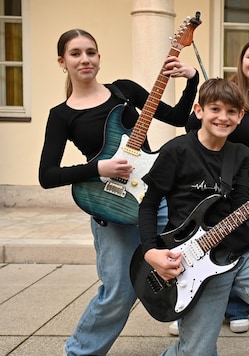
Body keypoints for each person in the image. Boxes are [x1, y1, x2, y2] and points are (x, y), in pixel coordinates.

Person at [38, 29, 199, 356]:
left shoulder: (124, 91)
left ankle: (193, 347)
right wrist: (99, 168)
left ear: (99, 57)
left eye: (91, 52)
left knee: (185, 270)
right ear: (62, 62)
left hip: (155, 199)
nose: (85, 59)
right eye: (76, 53)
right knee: (119, 292)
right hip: (111, 207)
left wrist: (192, 79)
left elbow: (178, 117)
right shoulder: (62, 115)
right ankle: (80, 352)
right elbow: (47, 175)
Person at [139, 78, 249, 355]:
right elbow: (149, 203)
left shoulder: (242, 155)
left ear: (240, 116)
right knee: (197, 350)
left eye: (231, 111)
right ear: (199, 110)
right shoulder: (177, 150)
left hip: (241, 252)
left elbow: (243, 206)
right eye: (215, 109)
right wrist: (151, 251)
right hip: (193, 258)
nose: (223, 117)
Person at [183, 38, 249, 334]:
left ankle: (237, 307)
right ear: (241, 62)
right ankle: (190, 303)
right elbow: (192, 126)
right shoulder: (226, 93)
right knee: (201, 238)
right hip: (212, 174)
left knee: (240, 239)